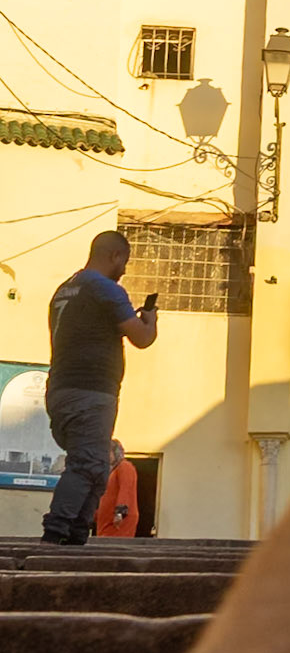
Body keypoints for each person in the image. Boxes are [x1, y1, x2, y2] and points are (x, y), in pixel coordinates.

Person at [42, 232, 157, 546]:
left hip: (61, 389)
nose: (124, 271)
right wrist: (150, 320)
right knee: (89, 463)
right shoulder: (107, 289)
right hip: (90, 391)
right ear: (116, 256)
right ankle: (56, 534)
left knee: (94, 465)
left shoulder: (64, 289)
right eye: (125, 263)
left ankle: (77, 535)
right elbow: (141, 339)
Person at [94, 441, 139, 538]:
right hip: (107, 523)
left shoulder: (125, 466)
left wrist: (120, 512)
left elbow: (126, 489)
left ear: (115, 452)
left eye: (107, 452)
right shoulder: (113, 471)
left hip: (118, 522)